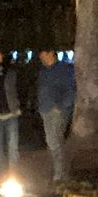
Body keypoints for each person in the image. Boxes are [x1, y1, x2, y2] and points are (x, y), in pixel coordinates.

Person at [36, 47, 75, 182]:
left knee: (56, 140)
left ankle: (60, 173)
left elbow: (70, 89)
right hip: (46, 110)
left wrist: (62, 106)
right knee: (51, 141)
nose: (42, 59)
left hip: (58, 110)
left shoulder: (64, 70)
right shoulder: (44, 72)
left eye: (43, 55)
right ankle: (57, 170)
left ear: (51, 54)